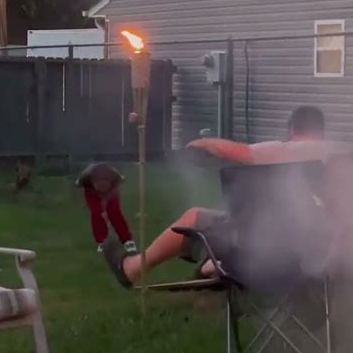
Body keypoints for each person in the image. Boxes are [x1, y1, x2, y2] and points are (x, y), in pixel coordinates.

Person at [103, 106, 326, 288]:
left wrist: (204, 143)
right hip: (322, 256)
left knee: (195, 217)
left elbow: (237, 151)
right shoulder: (336, 153)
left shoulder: (287, 151)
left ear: (291, 129)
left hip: (270, 253)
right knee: (233, 223)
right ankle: (211, 267)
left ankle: (132, 269)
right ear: (322, 130)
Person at [77, 162, 137, 254]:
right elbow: (79, 186)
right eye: (98, 183)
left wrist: (109, 195)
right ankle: (102, 241)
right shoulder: (85, 178)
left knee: (115, 213)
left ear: (110, 180)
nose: (102, 186)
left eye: (104, 183)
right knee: (96, 213)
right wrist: (95, 195)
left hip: (110, 191)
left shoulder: (115, 176)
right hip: (91, 192)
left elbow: (120, 182)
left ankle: (127, 241)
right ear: (92, 180)